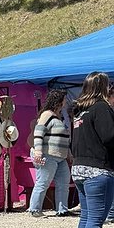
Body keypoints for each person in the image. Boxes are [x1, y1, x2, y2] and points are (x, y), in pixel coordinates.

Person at [70, 72, 114, 228]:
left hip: (79, 168)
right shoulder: (101, 107)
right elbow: (109, 136)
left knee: (87, 216)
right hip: (98, 169)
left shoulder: (79, 111)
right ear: (102, 86)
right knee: (96, 218)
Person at [28, 89, 71, 217]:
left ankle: (62, 210)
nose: (66, 101)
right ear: (59, 101)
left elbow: (63, 138)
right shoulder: (47, 114)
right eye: (64, 99)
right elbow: (38, 132)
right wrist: (38, 152)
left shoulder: (58, 117)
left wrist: (69, 154)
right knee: (43, 182)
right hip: (48, 155)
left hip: (61, 157)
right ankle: (34, 209)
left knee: (64, 183)